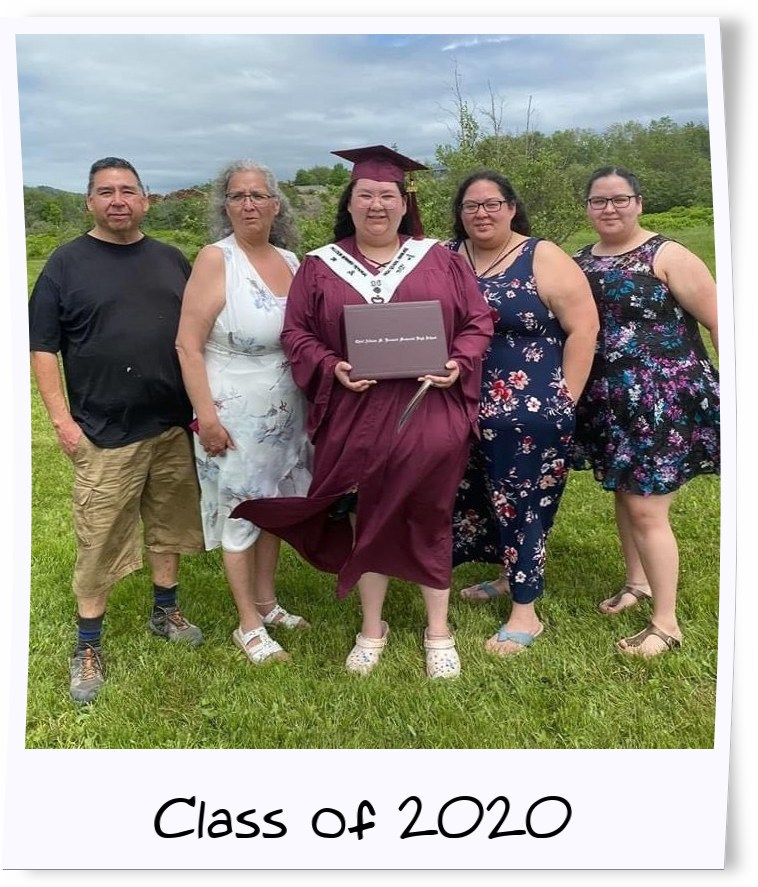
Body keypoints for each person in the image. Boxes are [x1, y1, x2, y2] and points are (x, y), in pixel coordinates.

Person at [233, 145, 493, 679]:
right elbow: (296, 333)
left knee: (431, 510)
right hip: (356, 410)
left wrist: (457, 361)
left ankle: (438, 631)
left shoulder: (440, 259)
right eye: (365, 195)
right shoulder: (319, 266)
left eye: (387, 195)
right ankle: (372, 627)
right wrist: (332, 366)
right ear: (349, 204)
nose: (377, 205)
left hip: (429, 404)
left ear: (405, 203)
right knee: (365, 512)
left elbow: (478, 322)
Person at [28, 157, 205, 704]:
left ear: (146, 200)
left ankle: (165, 609)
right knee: (99, 538)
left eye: (128, 190)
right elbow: (42, 347)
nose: (118, 200)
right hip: (104, 432)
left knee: (170, 526)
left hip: (172, 426)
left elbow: (197, 337)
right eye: (106, 192)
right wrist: (61, 420)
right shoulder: (65, 264)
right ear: (90, 202)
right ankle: (87, 644)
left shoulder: (172, 260)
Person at [447, 170, 598, 655]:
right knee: (480, 499)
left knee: (521, 501)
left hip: (529, 409)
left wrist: (563, 399)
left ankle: (526, 612)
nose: (482, 213)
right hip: (460, 404)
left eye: (492, 204)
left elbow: (583, 329)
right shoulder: (448, 258)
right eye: (471, 206)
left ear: (512, 207)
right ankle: (507, 576)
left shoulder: (542, 255)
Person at [571, 166, 720, 657]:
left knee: (645, 505)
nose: (609, 209)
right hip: (609, 400)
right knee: (624, 492)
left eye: (620, 199)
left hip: (663, 400)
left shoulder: (667, 254)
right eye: (599, 201)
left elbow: (722, 322)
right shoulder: (579, 261)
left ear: (639, 202)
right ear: (587, 207)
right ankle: (639, 584)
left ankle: (666, 625)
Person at [175, 160, 312, 666]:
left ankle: (268, 603)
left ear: (276, 204)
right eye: (237, 196)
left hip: (288, 409)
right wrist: (205, 417)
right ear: (225, 205)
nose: (249, 204)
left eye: (258, 195)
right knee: (241, 515)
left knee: (273, 511)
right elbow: (187, 346)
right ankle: (247, 625)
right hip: (234, 412)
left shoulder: (294, 260)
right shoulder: (216, 260)